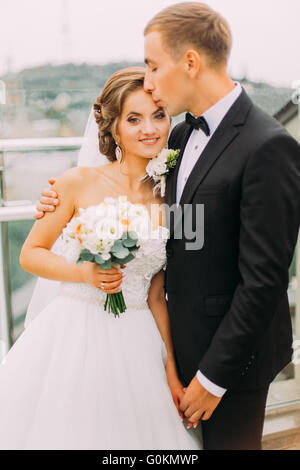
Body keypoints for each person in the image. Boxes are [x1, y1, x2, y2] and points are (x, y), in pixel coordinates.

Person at [39, 3, 300, 450]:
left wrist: (213, 378)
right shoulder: (177, 140)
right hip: (168, 347)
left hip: (231, 365)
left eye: (154, 65)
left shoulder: (268, 145)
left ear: (191, 63)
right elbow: (171, 230)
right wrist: (64, 205)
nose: (151, 81)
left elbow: (265, 281)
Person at [0, 67, 202, 450]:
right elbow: (31, 254)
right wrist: (84, 273)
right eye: (134, 119)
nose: (150, 129)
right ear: (113, 127)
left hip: (141, 338)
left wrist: (171, 370)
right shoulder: (77, 181)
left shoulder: (172, 197)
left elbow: (157, 292)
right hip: (74, 332)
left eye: (159, 115)